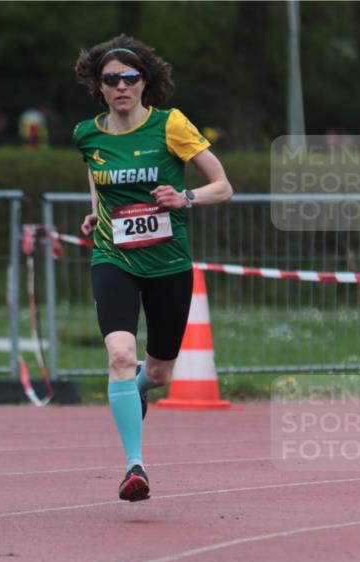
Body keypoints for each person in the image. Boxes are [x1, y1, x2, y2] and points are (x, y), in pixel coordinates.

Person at [73, 35, 232, 500]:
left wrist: (186, 197)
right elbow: (97, 177)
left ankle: (139, 388)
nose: (121, 86)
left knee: (160, 373)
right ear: (99, 87)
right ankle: (134, 466)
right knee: (121, 355)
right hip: (113, 257)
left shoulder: (171, 125)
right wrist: (96, 212)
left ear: (145, 82)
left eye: (130, 78)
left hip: (168, 263)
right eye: (111, 79)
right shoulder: (87, 134)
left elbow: (223, 186)